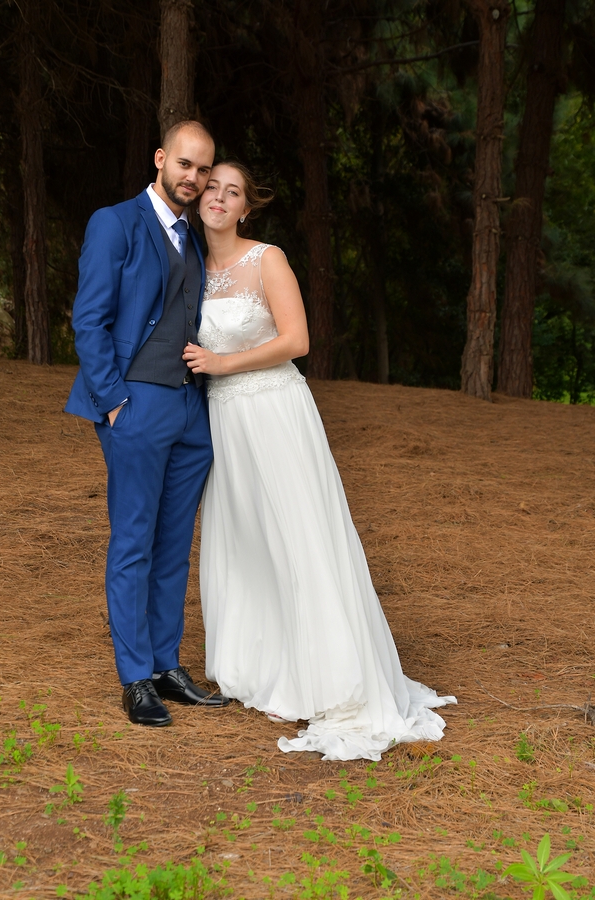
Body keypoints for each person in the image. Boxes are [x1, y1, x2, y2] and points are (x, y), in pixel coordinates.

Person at [183, 160, 456, 761]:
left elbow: (296, 340)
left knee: (299, 534)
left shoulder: (267, 258)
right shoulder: (193, 268)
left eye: (233, 192)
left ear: (246, 208)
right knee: (248, 540)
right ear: (199, 198)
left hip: (275, 410)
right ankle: (263, 667)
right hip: (225, 423)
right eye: (213, 189)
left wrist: (221, 364)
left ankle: (334, 676)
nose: (221, 199)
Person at [65, 121, 231, 726]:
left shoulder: (194, 237)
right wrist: (112, 401)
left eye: (203, 169)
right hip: (134, 403)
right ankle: (135, 677)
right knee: (133, 542)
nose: (193, 177)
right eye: (184, 164)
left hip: (191, 409)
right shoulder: (116, 222)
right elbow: (90, 318)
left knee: (172, 547)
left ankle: (167, 663)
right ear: (161, 158)